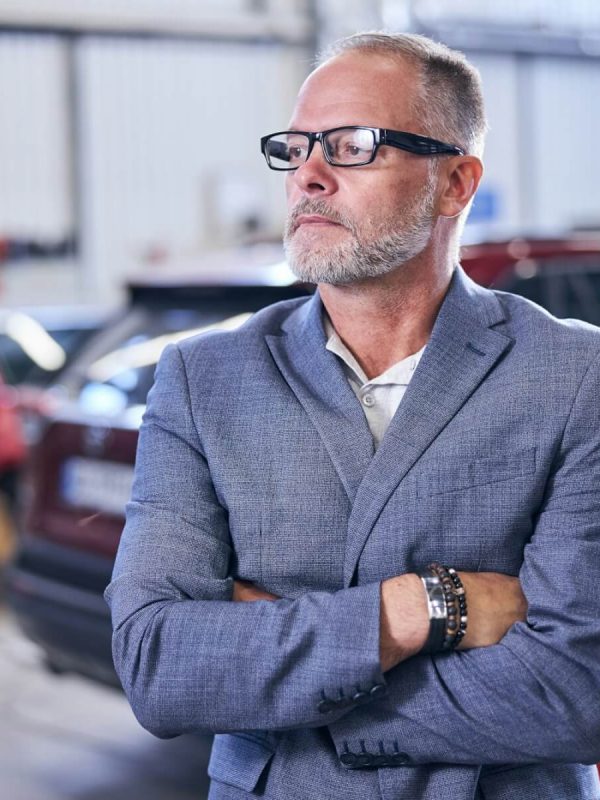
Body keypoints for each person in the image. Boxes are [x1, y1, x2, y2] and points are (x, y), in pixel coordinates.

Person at [106, 32, 600, 800]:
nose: (308, 174)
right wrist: (421, 609)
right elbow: (158, 663)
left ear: (455, 182)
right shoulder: (206, 379)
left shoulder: (575, 375)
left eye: (352, 146)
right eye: (296, 147)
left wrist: (282, 680)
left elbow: (573, 690)